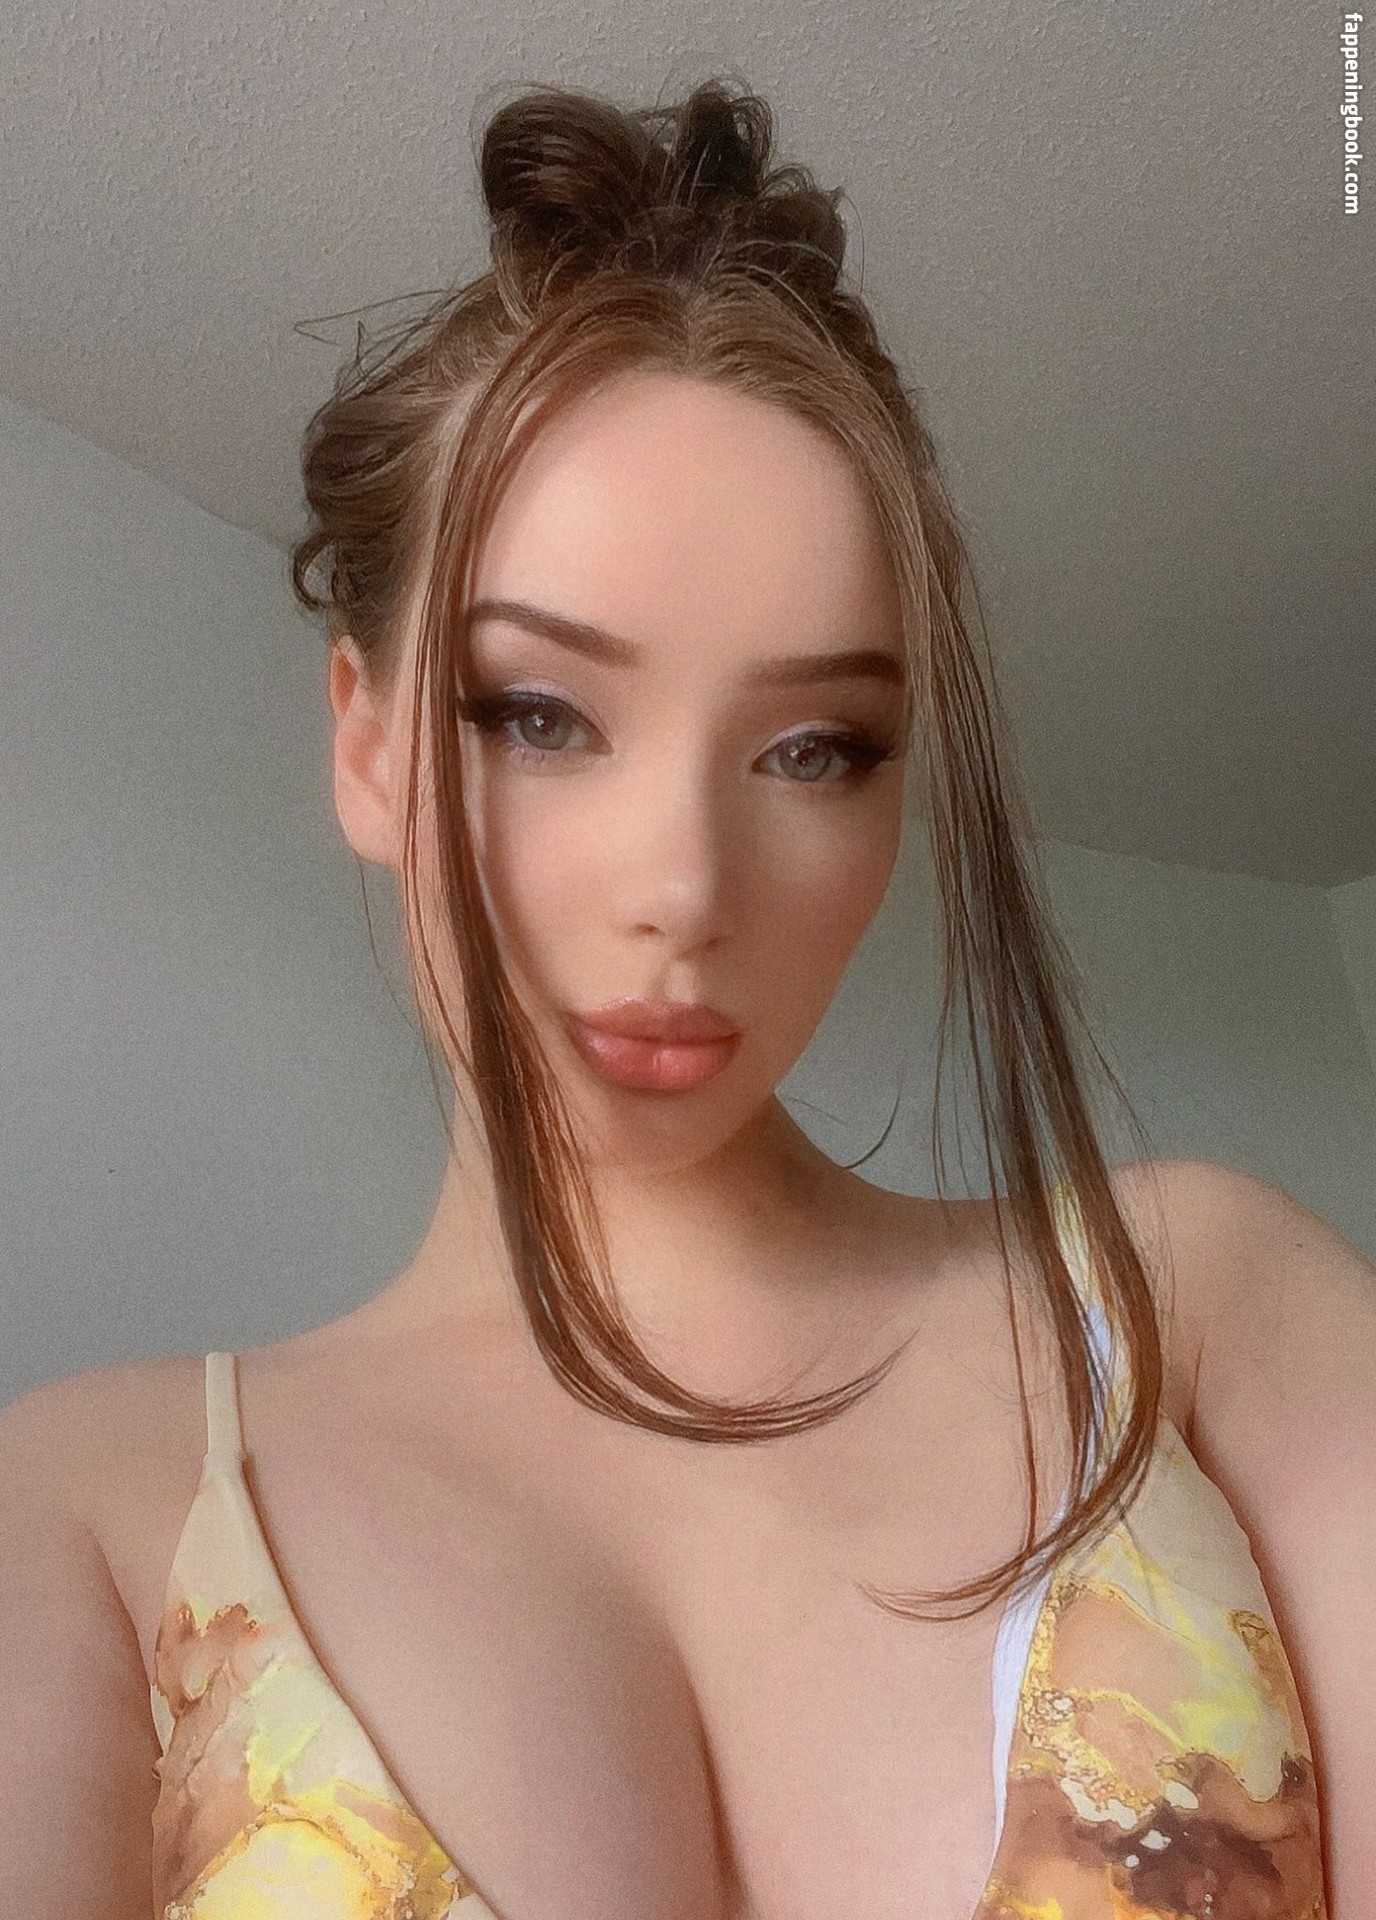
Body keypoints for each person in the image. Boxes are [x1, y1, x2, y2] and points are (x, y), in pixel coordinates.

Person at [1, 75, 1369, 1920]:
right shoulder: (89, 1519)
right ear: (368, 744)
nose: (686, 891)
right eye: (540, 715)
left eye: (814, 749)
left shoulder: (1202, 1315)